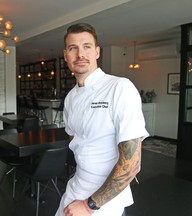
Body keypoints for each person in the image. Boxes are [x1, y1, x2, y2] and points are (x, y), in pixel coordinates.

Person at [55, 23, 149, 216]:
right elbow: (75, 139)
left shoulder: (119, 88)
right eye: (73, 48)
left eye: (87, 47)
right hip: (77, 184)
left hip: (104, 197)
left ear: (97, 52)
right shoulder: (71, 97)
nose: (80, 54)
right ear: (66, 55)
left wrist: (89, 205)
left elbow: (132, 164)